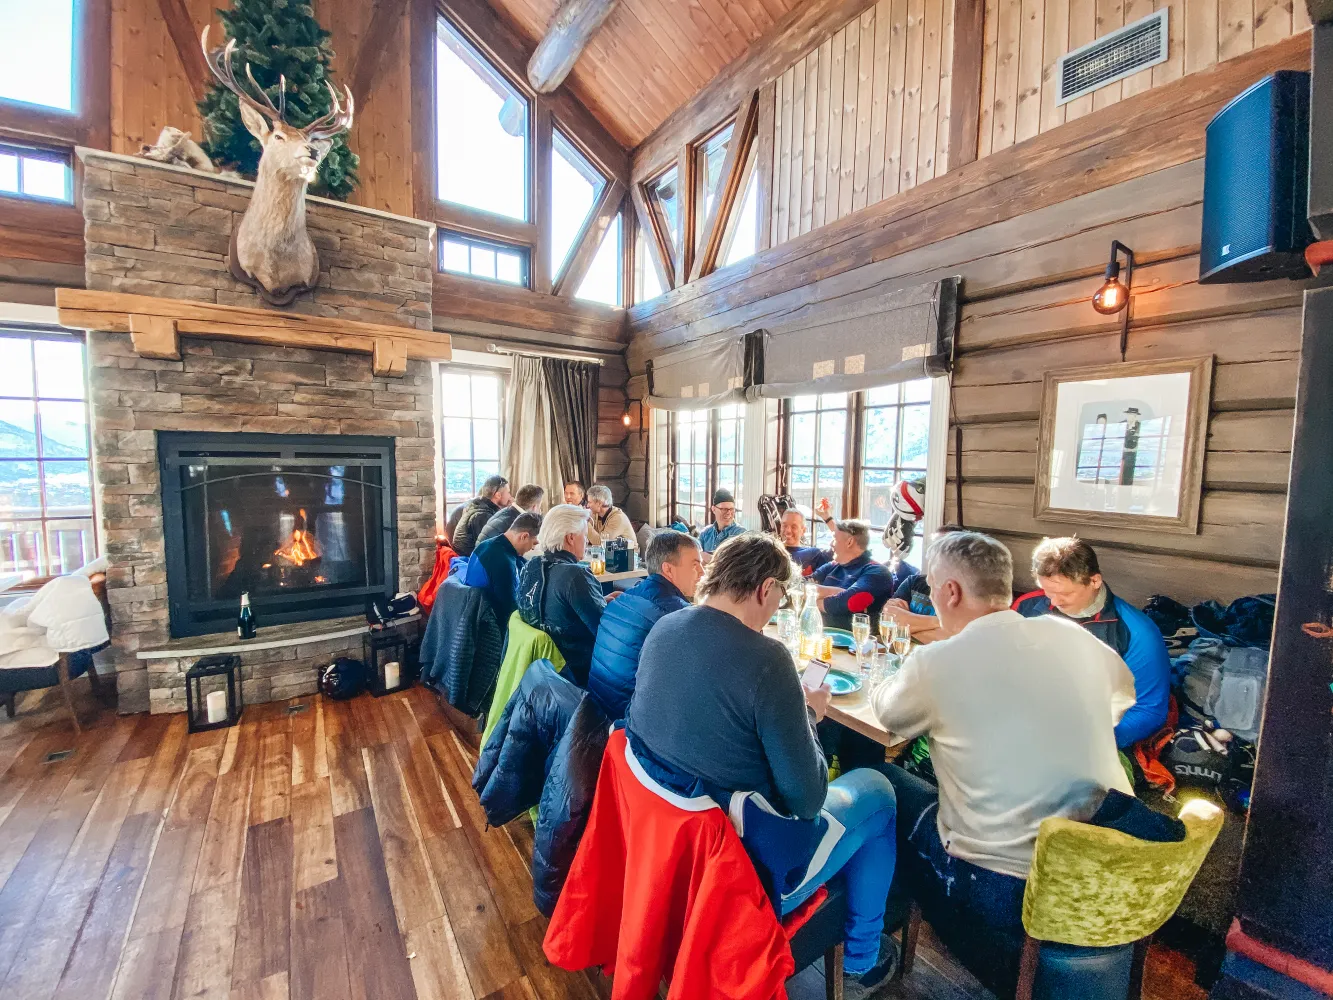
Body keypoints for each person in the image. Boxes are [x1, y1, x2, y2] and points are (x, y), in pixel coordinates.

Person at [626, 533, 899, 995]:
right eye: (780, 597)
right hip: (744, 869)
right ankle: (861, 961)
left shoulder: (664, 628)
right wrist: (810, 719)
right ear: (765, 588)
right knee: (877, 789)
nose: (777, 608)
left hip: (666, 844)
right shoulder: (768, 661)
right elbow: (809, 800)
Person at [870, 531, 1136, 994]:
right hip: (1106, 867)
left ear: (950, 591)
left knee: (879, 782)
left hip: (1007, 887)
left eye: (932, 585)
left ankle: (871, 947)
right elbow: (1119, 699)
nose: (930, 595)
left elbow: (888, 717)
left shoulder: (938, 661)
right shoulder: (1073, 636)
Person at [1013, 536, 1171, 749]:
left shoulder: (1137, 632)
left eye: (1065, 593)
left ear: (1094, 581)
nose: (1054, 602)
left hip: (1092, 730)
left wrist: (1089, 740)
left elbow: (1148, 710)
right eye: (1047, 591)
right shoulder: (1026, 607)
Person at [586, 531, 704, 720]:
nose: (702, 573)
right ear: (668, 569)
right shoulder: (676, 615)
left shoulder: (623, 597)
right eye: (695, 565)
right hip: (627, 722)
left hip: (595, 708)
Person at [517, 504, 606, 686]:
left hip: (542, 671)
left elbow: (558, 609)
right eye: (584, 535)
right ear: (571, 538)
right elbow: (605, 629)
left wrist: (601, 600)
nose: (587, 542)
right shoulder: (575, 576)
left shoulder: (531, 567)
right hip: (578, 671)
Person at [882, 524, 965, 643]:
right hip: (900, 654)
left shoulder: (967, 592)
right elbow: (887, 624)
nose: (934, 554)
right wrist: (942, 623)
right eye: (933, 548)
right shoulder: (913, 582)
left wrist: (907, 621)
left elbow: (956, 641)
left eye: (942, 548)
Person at [810, 519, 896, 630]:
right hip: (819, 633)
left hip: (856, 641)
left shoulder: (878, 572)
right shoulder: (833, 565)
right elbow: (799, 585)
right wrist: (839, 593)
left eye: (834, 539)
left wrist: (810, 601)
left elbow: (851, 602)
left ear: (849, 542)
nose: (831, 543)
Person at [464, 512, 541, 625]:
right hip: (490, 628)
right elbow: (510, 612)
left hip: (477, 615)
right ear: (524, 536)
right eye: (534, 543)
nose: (533, 548)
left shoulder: (488, 544)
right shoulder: (503, 561)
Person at [452, 476, 513, 558]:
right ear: (498, 495)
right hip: (469, 562)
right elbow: (489, 548)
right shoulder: (482, 515)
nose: (510, 497)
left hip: (471, 557)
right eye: (508, 493)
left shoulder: (479, 506)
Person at [476, 484, 545, 546]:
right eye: (540, 506)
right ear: (534, 507)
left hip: (478, 557)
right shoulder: (519, 524)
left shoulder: (505, 511)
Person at [778, 508, 829, 575]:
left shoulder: (814, 554)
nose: (788, 531)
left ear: (803, 530)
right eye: (784, 525)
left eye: (794, 527)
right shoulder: (772, 551)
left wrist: (828, 519)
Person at [585, 484, 637, 550]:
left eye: (590, 502)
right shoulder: (596, 514)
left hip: (628, 556)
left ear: (599, 503)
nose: (587, 506)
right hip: (609, 553)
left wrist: (585, 522)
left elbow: (600, 543)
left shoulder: (618, 518)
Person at [697, 488, 746, 555]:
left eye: (731, 509)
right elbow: (697, 557)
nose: (728, 513)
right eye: (724, 509)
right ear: (713, 509)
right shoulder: (705, 533)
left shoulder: (741, 534)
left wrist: (705, 556)